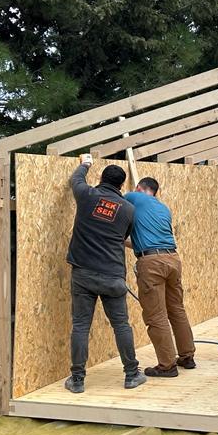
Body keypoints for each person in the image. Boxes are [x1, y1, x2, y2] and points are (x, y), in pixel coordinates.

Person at [65, 156, 145, 393]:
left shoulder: (87, 195)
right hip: (112, 276)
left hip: (83, 274)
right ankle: (132, 375)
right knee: (121, 325)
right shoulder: (128, 209)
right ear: (121, 185)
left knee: (81, 325)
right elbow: (123, 236)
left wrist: (85, 163)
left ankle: (77, 380)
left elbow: (75, 179)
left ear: (101, 178)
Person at [124, 176, 197, 377]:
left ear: (139, 188)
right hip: (172, 259)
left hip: (152, 264)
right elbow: (148, 241)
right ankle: (187, 356)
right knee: (176, 309)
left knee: (156, 315)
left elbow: (113, 203)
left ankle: (167, 365)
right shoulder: (163, 208)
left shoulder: (134, 197)